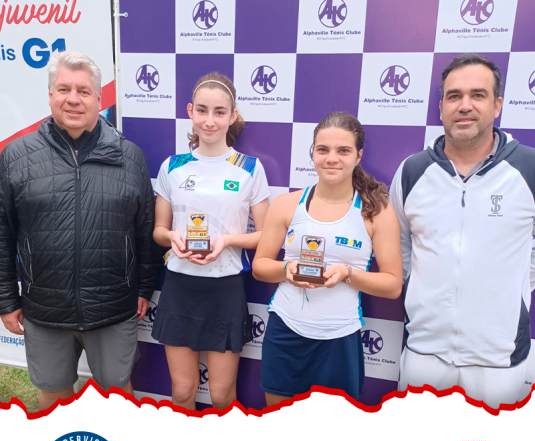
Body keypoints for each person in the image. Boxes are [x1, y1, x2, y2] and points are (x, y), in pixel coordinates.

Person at [0, 51, 159, 410]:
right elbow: (3, 233)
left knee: (117, 400)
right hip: (44, 310)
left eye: (84, 91)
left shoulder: (129, 156)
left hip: (113, 308)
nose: (73, 99)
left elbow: (144, 233)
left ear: (99, 99)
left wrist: (143, 289)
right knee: (52, 401)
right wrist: (7, 300)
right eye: (64, 89)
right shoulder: (17, 156)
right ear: (50, 95)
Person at [390, 53, 535, 409]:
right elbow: (401, 248)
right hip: (424, 352)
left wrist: (512, 291)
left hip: (499, 359)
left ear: (497, 105)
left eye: (478, 95)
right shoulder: (412, 171)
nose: (464, 105)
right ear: (440, 107)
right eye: (454, 96)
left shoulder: (529, 168)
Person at [252, 112, 402, 406]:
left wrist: (347, 274)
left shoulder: (377, 211)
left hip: (339, 338)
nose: (332, 158)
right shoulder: (287, 204)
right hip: (285, 331)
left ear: (358, 156)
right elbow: (260, 266)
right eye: (323, 149)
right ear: (313, 153)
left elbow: (393, 285)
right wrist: (287, 269)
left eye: (343, 150)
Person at [152, 73, 270, 411]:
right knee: (182, 392)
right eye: (202, 110)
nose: (210, 120)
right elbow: (158, 230)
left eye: (219, 112)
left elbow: (266, 236)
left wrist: (227, 241)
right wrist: (172, 237)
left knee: (221, 396)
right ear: (190, 111)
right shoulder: (173, 166)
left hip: (225, 288)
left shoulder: (250, 168)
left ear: (232, 116)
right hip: (180, 286)